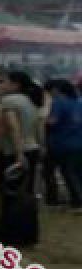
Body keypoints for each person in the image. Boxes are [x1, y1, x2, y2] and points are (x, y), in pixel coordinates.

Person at [0, 71, 43, 246]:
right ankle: (27, 234)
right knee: (26, 194)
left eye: (3, 82)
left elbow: (13, 127)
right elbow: (37, 127)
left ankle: (10, 235)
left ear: (16, 85)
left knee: (10, 195)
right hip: (32, 148)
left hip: (15, 152)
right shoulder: (31, 101)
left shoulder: (9, 101)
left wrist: (19, 154)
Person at [43, 79, 82, 209]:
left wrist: (43, 120)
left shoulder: (58, 102)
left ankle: (57, 200)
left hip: (61, 144)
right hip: (77, 143)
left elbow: (52, 121)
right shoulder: (77, 103)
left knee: (55, 172)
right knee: (73, 173)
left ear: (56, 90)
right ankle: (76, 200)